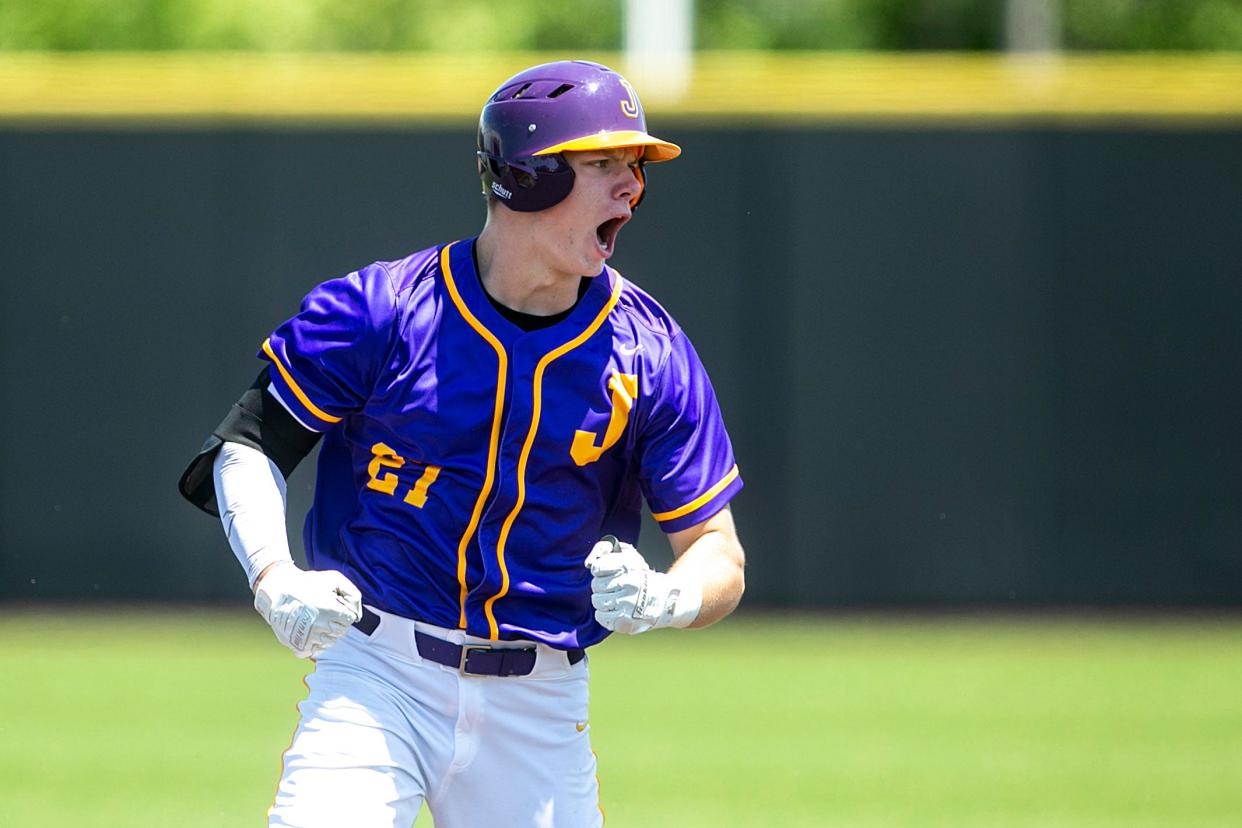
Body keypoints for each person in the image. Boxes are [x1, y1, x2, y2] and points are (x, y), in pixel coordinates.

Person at [179, 59, 745, 828]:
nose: (631, 188)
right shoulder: (382, 310)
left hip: (539, 702)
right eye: (605, 163)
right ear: (529, 176)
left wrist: (667, 596)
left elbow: (718, 550)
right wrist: (275, 577)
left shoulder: (651, 352)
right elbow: (248, 447)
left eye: (634, 167)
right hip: (377, 674)